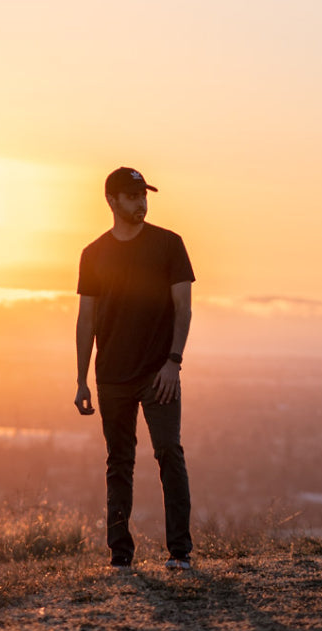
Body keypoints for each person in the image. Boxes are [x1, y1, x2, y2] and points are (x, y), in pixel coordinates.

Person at [74, 167, 195, 572]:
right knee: (119, 461)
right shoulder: (93, 254)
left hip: (160, 373)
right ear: (112, 201)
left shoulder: (169, 245)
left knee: (169, 453)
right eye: (132, 196)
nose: (141, 203)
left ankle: (179, 553)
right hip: (111, 377)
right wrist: (81, 379)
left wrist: (173, 363)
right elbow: (85, 320)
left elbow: (184, 309)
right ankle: (120, 556)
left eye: (144, 196)